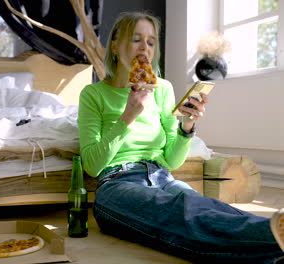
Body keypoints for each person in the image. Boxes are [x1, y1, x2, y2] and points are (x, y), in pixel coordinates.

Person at [77, 11, 284, 264]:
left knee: (202, 205)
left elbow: (172, 161)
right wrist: (128, 116)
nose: (145, 48)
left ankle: (274, 249)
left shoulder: (163, 89)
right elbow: (92, 165)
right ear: (116, 44)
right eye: (136, 39)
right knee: (178, 212)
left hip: (162, 175)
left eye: (151, 42)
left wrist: (186, 127)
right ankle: (272, 235)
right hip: (117, 184)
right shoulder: (93, 94)